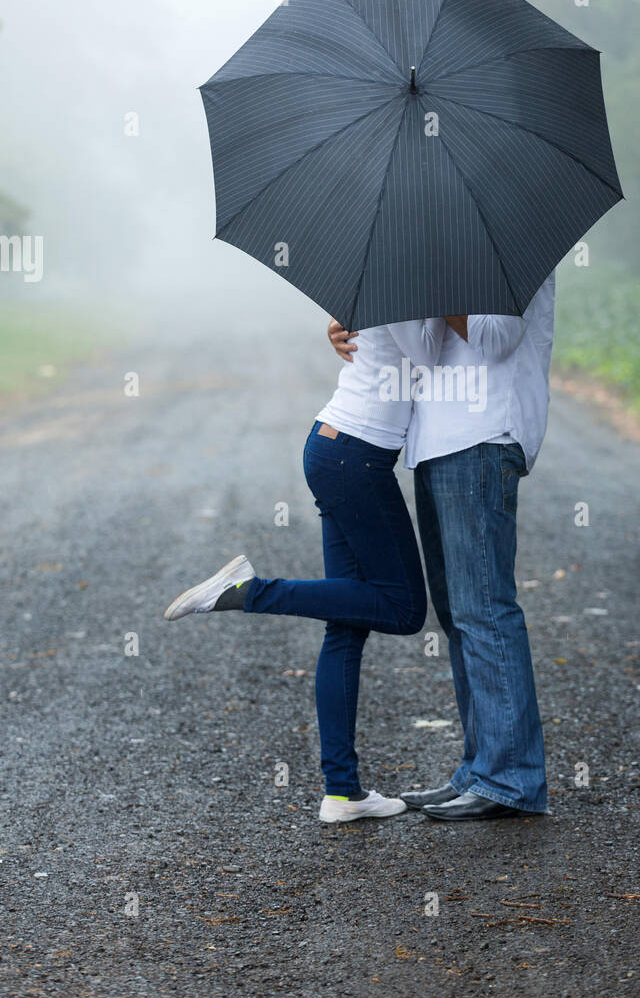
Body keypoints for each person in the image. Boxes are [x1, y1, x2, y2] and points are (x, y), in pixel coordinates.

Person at [163, 318, 444, 824]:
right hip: (354, 458)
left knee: (347, 624)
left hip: (341, 450)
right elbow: (427, 358)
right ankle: (250, 591)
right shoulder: (405, 287)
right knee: (402, 610)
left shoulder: (396, 285)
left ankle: (342, 792)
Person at [329, 272, 556, 822]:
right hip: (440, 438)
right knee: (457, 614)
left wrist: (434, 281)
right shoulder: (445, 247)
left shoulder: (503, 245)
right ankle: (480, 769)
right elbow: (425, 349)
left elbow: (498, 338)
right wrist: (364, 323)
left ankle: (510, 781)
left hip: (484, 435)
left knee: (485, 609)